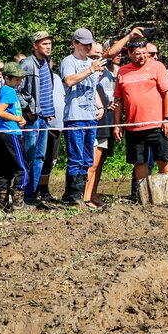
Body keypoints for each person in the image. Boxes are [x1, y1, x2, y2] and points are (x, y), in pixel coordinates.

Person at [113, 40, 168, 197]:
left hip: (156, 124)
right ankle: (144, 197)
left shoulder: (157, 67)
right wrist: (117, 124)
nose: (142, 57)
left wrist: (167, 118)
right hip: (134, 126)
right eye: (137, 54)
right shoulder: (123, 71)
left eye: (144, 53)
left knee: (162, 159)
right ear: (129, 54)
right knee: (139, 162)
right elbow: (119, 100)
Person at [60, 28, 105, 206]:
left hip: (90, 116)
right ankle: (73, 198)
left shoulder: (91, 62)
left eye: (90, 44)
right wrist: (90, 70)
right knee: (76, 158)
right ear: (75, 43)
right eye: (84, 44)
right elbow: (69, 81)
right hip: (74, 116)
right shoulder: (68, 61)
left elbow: (92, 89)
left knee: (87, 159)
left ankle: (75, 195)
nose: (88, 48)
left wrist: (100, 106)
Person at [18, 31, 58, 205]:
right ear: (35, 45)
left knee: (40, 158)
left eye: (49, 44)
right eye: (44, 44)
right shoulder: (27, 64)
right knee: (30, 157)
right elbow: (17, 90)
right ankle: (25, 196)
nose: (48, 47)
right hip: (32, 119)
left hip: (44, 119)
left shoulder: (47, 63)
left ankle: (33, 195)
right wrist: (28, 110)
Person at [83, 42, 118, 208]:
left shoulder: (101, 83)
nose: (102, 67)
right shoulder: (88, 81)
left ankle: (92, 193)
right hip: (94, 127)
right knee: (92, 164)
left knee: (99, 163)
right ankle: (86, 197)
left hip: (105, 126)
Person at [0, 63, 29, 211]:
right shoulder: (9, 91)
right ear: (6, 78)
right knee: (22, 168)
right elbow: (0, 112)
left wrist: (20, 118)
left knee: (4, 168)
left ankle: (2, 204)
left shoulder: (4, 90)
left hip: (3, 133)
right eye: (16, 79)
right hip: (11, 134)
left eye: (20, 79)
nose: (19, 82)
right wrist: (17, 119)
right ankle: (17, 203)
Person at [35, 71, 65, 204]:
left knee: (50, 160)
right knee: (39, 158)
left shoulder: (57, 78)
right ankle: (34, 189)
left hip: (57, 125)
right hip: (43, 125)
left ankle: (44, 189)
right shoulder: (38, 76)